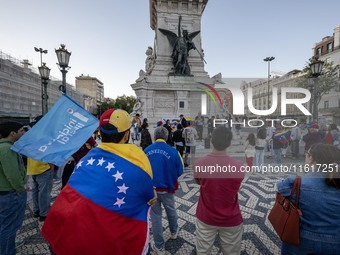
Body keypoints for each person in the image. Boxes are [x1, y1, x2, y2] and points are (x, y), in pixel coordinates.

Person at [41, 109, 157, 255]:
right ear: (127, 134)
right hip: (103, 240)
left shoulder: (88, 157)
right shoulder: (137, 158)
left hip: (62, 231)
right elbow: (148, 196)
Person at [276, 143, 340, 254]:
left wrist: (303, 175)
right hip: (335, 242)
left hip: (300, 241)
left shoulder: (296, 183)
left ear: (312, 159)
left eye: (307, 154)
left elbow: (280, 188)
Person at [194, 126, 245, 255]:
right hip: (231, 218)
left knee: (203, 252)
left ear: (211, 141)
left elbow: (199, 181)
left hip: (206, 216)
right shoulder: (238, 166)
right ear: (229, 143)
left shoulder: (199, 164)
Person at [144, 127, 183, 254]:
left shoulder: (146, 151)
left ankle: (159, 246)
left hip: (152, 190)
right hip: (168, 189)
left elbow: (142, 171)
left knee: (156, 217)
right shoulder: (173, 151)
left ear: (155, 136)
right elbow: (180, 171)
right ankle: (174, 231)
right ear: (166, 137)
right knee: (171, 210)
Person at [0, 121, 27, 255]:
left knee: (4, 224)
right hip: (10, 193)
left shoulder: (3, 147)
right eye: (21, 131)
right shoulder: (7, 149)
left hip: (5, 192)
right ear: (13, 133)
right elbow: (12, 173)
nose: (23, 133)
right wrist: (21, 188)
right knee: (9, 227)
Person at [27, 116, 56, 222]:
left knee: (36, 191)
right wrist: (51, 165)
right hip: (43, 167)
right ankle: (44, 213)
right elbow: (48, 151)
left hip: (32, 167)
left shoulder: (31, 135)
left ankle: (36, 211)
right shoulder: (45, 136)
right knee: (44, 193)